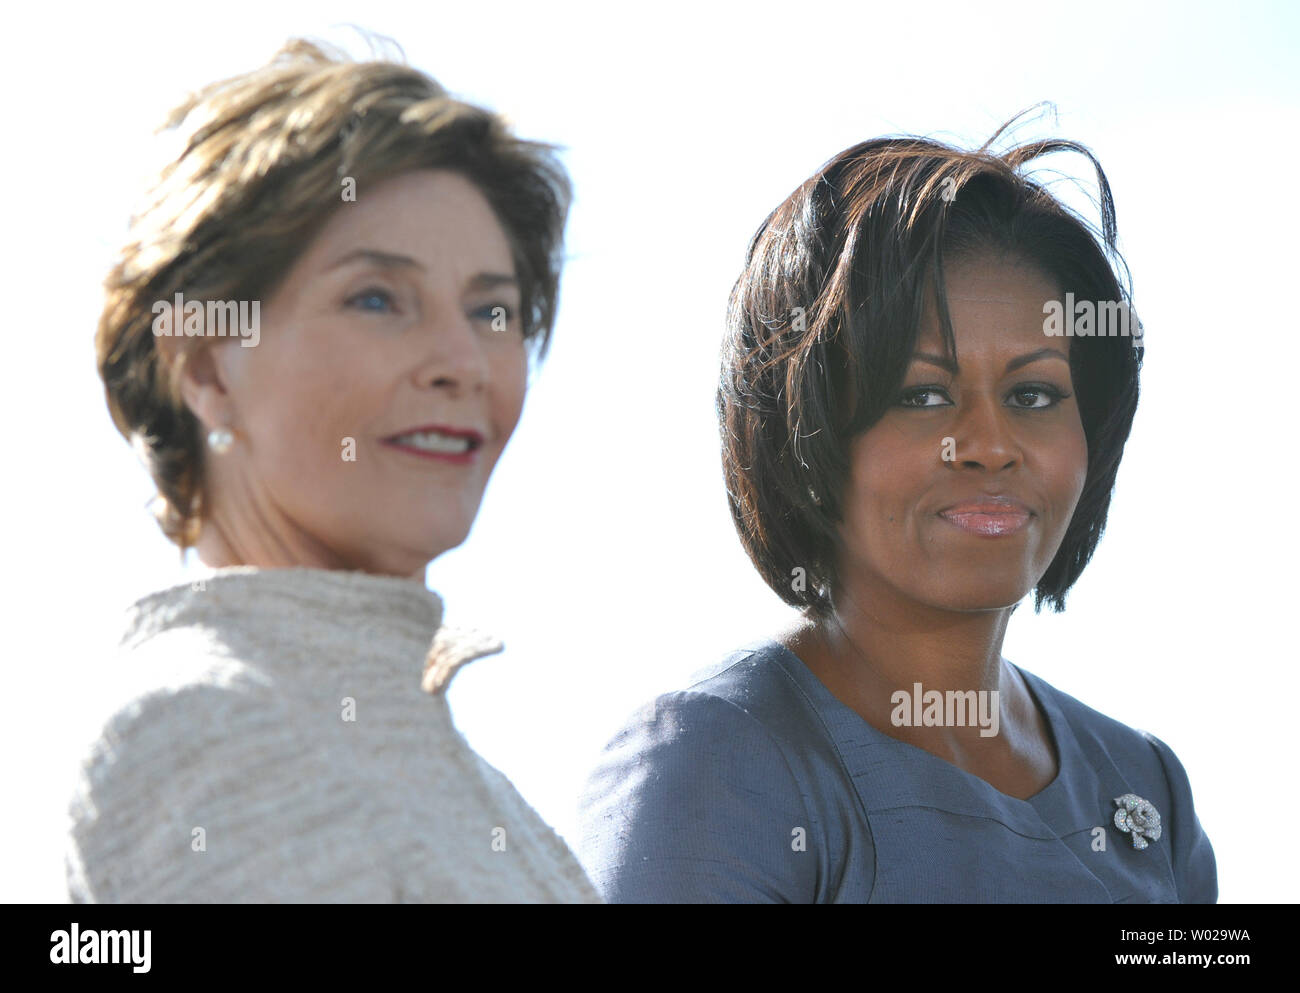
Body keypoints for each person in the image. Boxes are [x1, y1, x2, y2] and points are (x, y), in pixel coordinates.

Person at [576, 112, 1216, 903]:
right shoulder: (714, 762)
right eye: (923, 394)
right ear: (804, 432)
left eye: (1034, 393)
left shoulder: (1147, 790)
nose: (989, 443)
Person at [68, 38, 600, 903]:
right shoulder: (203, 727)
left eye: (491, 309)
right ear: (204, 364)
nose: (462, 360)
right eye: (378, 299)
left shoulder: (484, 790)